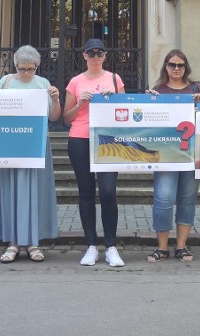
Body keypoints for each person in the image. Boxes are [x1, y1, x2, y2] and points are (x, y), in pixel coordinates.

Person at [0, 45, 61, 263]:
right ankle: (12, 242)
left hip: (36, 144)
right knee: (11, 191)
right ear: (15, 66)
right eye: (22, 69)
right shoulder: (5, 82)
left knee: (36, 192)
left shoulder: (42, 83)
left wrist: (57, 99)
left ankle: (33, 242)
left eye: (30, 69)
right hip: (11, 144)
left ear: (37, 67)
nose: (25, 73)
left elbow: (53, 117)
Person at [63, 38, 126, 267]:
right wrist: (80, 103)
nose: (95, 56)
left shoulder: (114, 78)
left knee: (109, 191)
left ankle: (110, 246)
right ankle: (91, 245)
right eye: (91, 53)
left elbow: (125, 112)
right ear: (84, 56)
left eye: (99, 52)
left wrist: (114, 98)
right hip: (80, 137)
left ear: (105, 55)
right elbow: (66, 117)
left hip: (108, 138)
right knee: (86, 192)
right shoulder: (76, 81)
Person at [146, 49, 200, 262]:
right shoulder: (158, 90)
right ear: (166, 67)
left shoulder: (195, 88)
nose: (176, 69)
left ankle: (181, 246)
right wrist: (147, 104)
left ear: (186, 67)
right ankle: (162, 247)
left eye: (180, 65)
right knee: (163, 198)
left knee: (187, 199)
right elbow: (148, 125)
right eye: (172, 65)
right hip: (166, 156)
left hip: (191, 154)